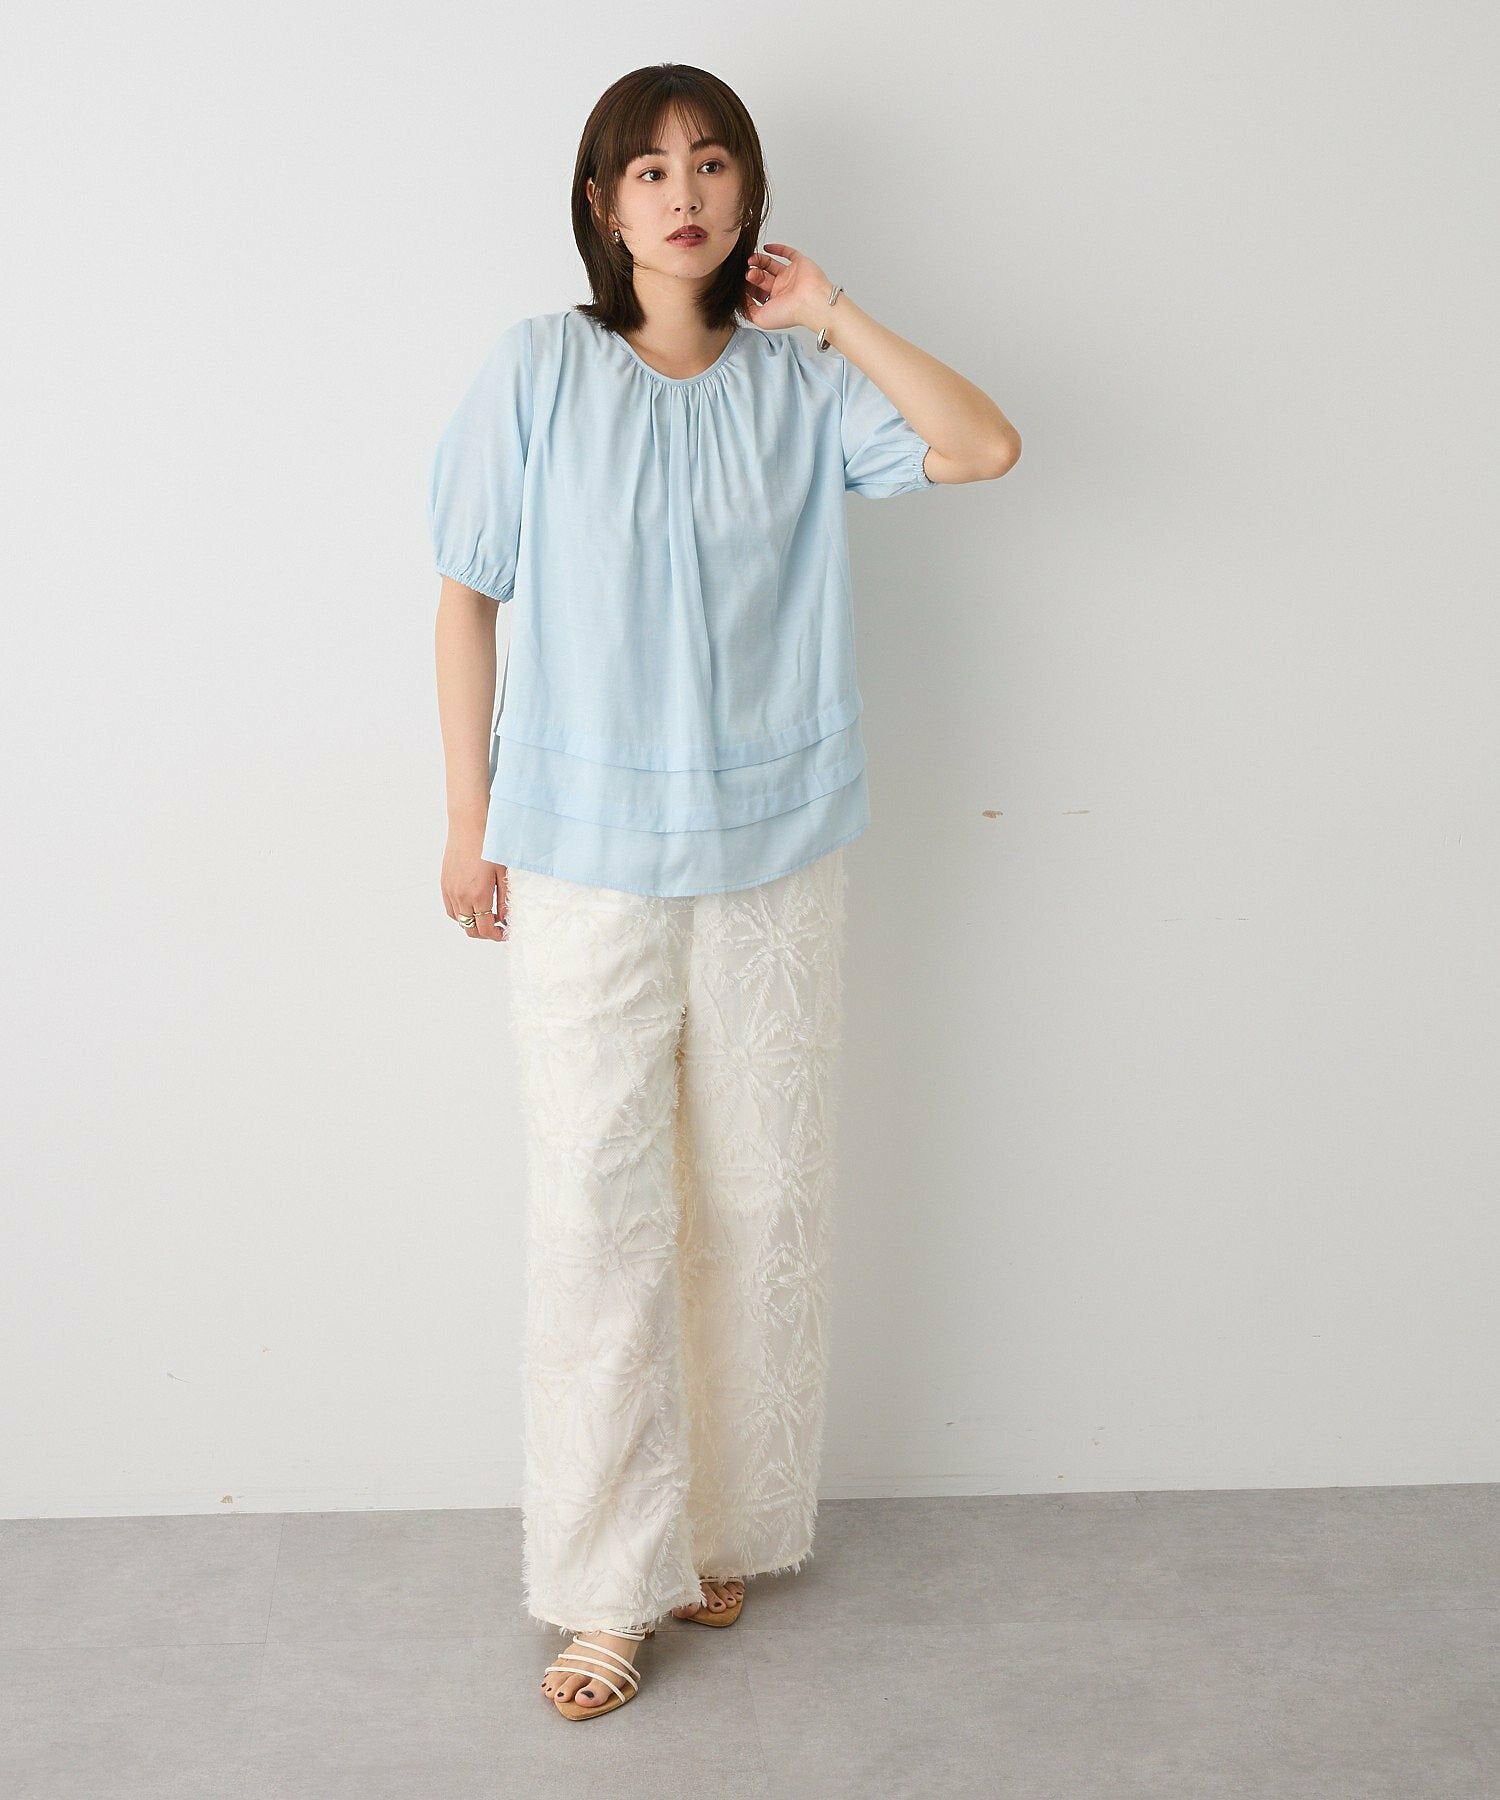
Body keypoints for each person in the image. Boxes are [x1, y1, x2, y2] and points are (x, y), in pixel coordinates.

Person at [428, 63, 1020, 1723]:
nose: (681, 192)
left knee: (761, 1207)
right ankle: (601, 1589)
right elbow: (467, 592)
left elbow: (983, 446)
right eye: (647, 169)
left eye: (710, 164)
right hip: (581, 858)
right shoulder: (537, 368)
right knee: (596, 1221)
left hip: (774, 857)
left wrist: (832, 314)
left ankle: (715, 1533)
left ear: (750, 194)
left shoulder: (799, 388)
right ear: (601, 203)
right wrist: (469, 820)